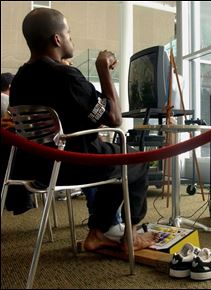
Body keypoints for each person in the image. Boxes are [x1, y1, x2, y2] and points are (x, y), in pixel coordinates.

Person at [9, 7, 158, 251]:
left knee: (114, 155)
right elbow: (114, 118)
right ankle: (129, 237)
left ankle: (98, 232)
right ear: (57, 39)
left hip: (37, 167)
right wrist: (103, 69)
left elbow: (72, 115)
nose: (71, 38)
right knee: (135, 160)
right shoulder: (65, 76)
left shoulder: (20, 81)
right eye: (68, 33)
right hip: (71, 165)